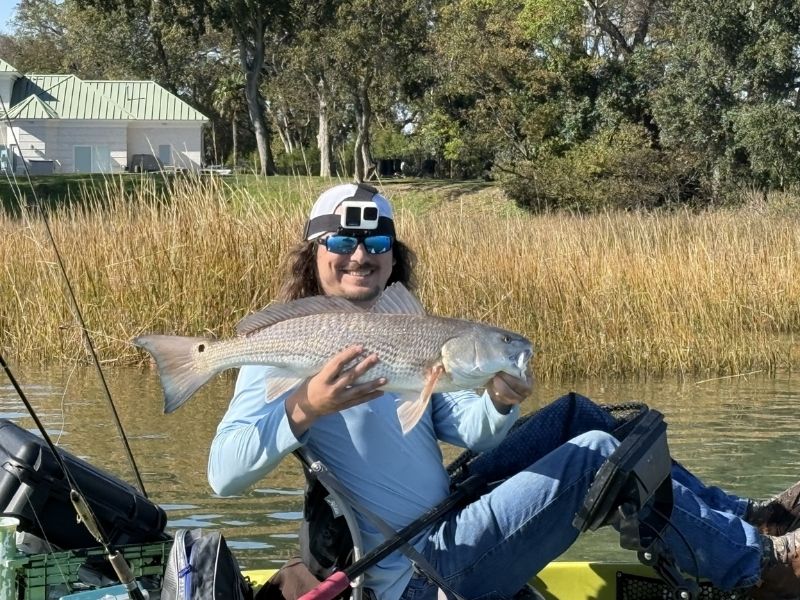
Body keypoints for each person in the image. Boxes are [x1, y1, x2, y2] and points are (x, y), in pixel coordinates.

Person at [208, 182, 800, 600]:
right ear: (314, 256)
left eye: (377, 245)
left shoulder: (408, 330)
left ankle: (746, 518)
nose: (359, 256)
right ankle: (762, 567)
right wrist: (306, 405)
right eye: (340, 245)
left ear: (394, 258)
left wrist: (498, 402)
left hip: (448, 511)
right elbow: (222, 474)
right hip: (420, 568)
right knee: (595, 457)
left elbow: (460, 426)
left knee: (581, 417)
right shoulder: (288, 348)